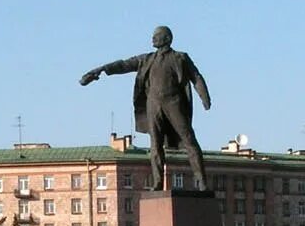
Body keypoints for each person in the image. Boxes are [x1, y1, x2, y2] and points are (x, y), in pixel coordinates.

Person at [79, 25, 212, 191]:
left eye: (157, 35)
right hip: (153, 104)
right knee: (155, 145)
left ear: (167, 39)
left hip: (174, 102)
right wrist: (101, 70)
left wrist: (205, 98)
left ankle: (201, 181)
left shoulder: (180, 58)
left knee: (189, 139)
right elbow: (123, 64)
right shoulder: (147, 59)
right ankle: (158, 182)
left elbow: (196, 77)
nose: (153, 38)